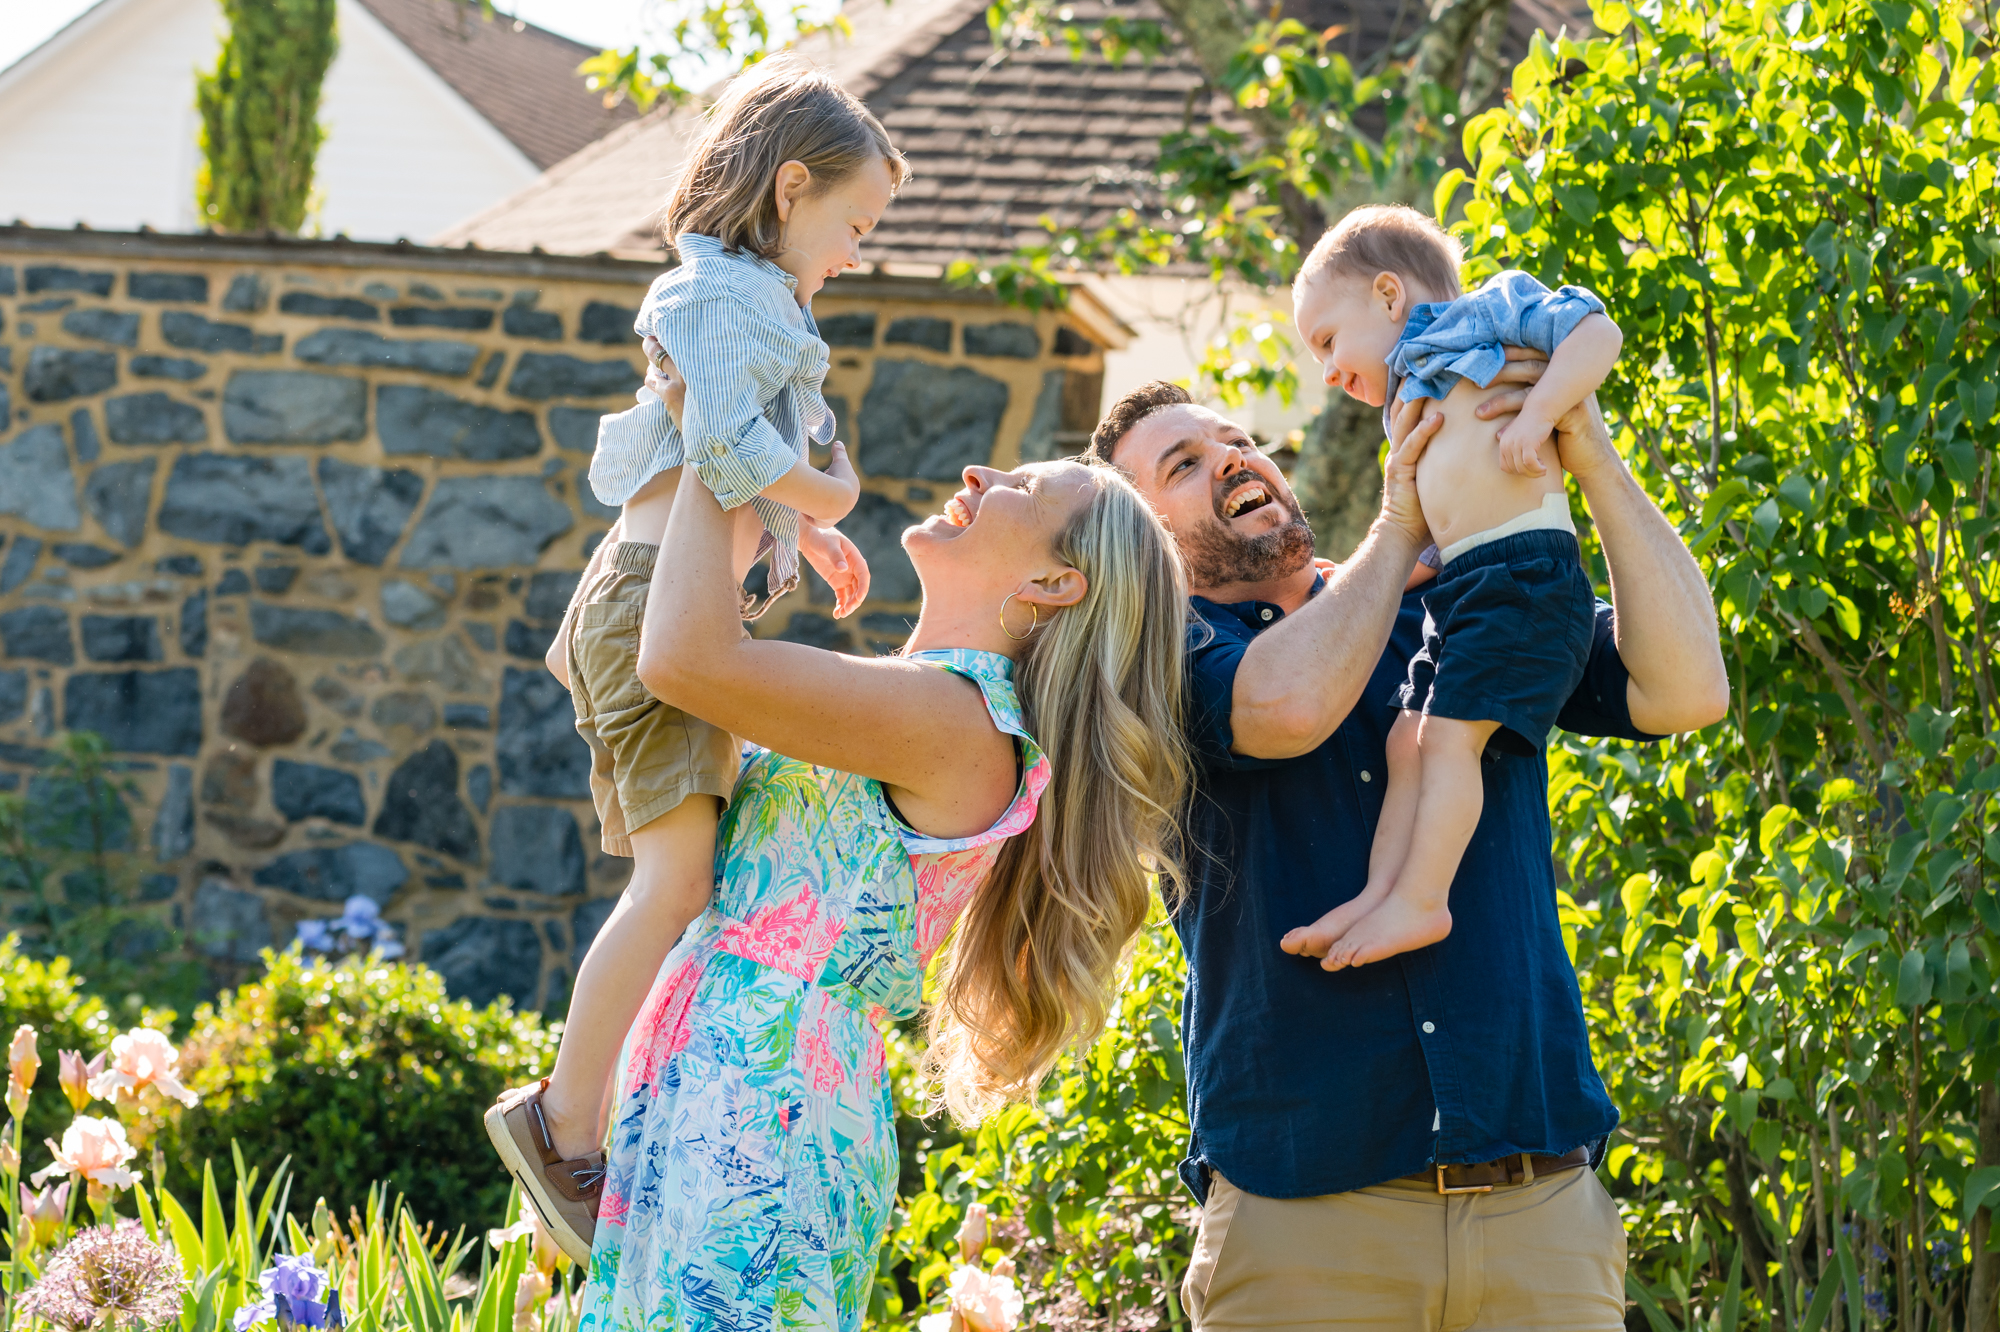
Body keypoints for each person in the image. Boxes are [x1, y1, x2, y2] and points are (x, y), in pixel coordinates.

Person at [549, 350, 1191, 1329]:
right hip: (722, 1076)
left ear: (1054, 582)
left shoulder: (958, 721)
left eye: (1021, 488)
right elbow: (622, 665)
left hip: (767, 1109)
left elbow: (680, 657)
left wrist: (719, 436)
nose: (980, 473)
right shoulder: (917, 701)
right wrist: (738, 489)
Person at [1089, 370, 1729, 1329]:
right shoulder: (1152, 663)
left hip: (1540, 1210)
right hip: (1304, 1228)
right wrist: (1396, 531)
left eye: (1238, 439)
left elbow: (1687, 688)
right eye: (1183, 464)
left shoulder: (1453, 609)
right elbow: (1284, 706)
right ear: (1139, 537)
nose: (1232, 457)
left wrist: (1593, 456)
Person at [483, 57, 895, 1263]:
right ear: (789, 188)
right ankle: (561, 1124)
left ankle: (597, 1112)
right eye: (855, 225)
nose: (858, 253)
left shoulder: (751, 301)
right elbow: (723, 448)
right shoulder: (715, 297)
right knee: (672, 883)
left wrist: (803, 533)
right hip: (644, 608)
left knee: (686, 882)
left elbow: (725, 459)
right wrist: (832, 494)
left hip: (670, 596)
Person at [1282, 204, 1627, 971]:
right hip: (1463, 589)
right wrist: (1370, 579)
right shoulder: (1405, 404)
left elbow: (1597, 332)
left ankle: (1424, 899)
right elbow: (1436, 531)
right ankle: (1381, 893)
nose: (1328, 372)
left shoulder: (1487, 314)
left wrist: (1542, 412)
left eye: (1328, 341)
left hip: (1524, 578)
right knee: (1405, 739)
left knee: (1446, 740)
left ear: (1387, 295)